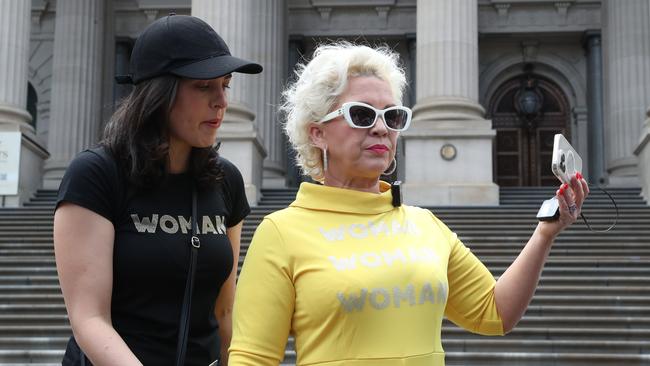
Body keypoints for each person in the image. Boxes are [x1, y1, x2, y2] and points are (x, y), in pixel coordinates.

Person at [228, 42, 588, 365]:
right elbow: (252, 358)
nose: (382, 128)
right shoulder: (280, 233)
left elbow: (495, 312)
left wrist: (545, 233)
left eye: (392, 116)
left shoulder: (424, 224)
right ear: (317, 132)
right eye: (362, 115)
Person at [54, 14, 262, 366]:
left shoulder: (225, 180)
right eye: (203, 86)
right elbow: (89, 320)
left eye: (225, 85)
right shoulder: (95, 174)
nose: (222, 101)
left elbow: (225, 312)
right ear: (158, 94)